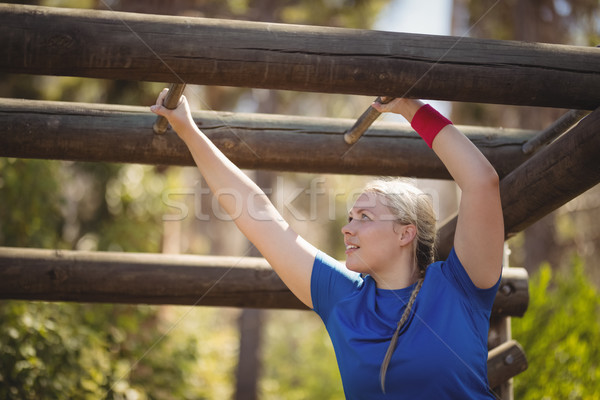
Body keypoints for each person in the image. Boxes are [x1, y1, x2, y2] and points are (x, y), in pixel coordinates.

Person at [151, 91, 504, 399]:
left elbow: (481, 181)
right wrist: (189, 131)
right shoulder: (342, 298)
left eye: (364, 217)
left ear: (405, 233)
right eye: (350, 218)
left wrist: (411, 109)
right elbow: (259, 214)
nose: (347, 229)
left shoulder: (461, 286)